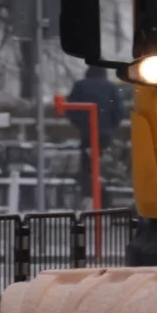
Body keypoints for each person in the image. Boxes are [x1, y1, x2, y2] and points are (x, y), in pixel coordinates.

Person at [66, 66, 123, 207]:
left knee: (87, 164)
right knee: (103, 163)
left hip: (87, 133)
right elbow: (118, 110)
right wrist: (111, 126)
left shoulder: (80, 86)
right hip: (105, 133)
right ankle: (102, 198)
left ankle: (88, 195)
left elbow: (70, 108)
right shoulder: (111, 87)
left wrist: (80, 124)